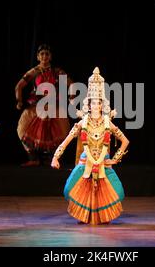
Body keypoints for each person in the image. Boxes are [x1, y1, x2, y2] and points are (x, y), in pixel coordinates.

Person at [51, 67, 129, 225]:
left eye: (98, 103)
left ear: (101, 106)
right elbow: (67, 140)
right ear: (89, 105)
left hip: (103, 162)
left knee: (117, 192)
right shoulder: (82, 123)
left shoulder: (108, 123)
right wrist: (55, 157)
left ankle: (102, 216)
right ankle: (85, 216)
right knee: (69, 190)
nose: (95, 106)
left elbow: (125, 141)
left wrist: (114, 159)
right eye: (92, 103)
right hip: (86, 161)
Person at [15, 44, 73, 166]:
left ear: (50, 56)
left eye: (47, 54)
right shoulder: (34, 72)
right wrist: (19, 101)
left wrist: (72, 97)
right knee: (23, 128)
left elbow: (71, 84)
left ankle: (52, 159)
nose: (44, 56)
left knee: (61, 131)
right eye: (42, 54)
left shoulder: (57, 72)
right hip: (37, 105)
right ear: (37, 57)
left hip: (54, 106)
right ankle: (33, 158)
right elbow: (19, 86)